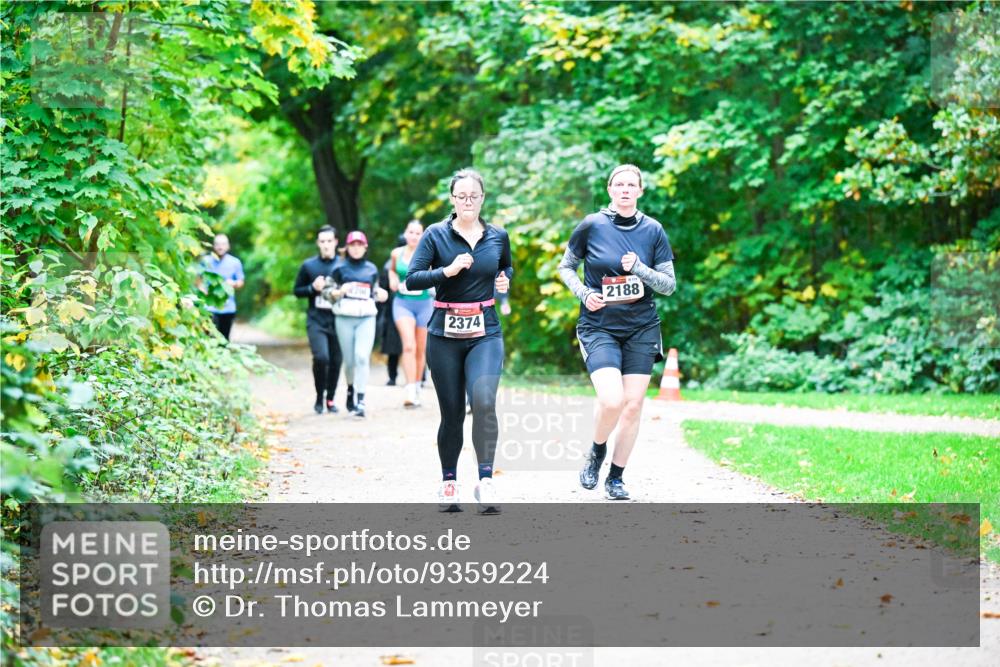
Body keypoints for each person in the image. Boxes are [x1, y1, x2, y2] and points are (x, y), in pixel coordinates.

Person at [557, 164, 676, 500]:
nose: (625, 190)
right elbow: (565, 267)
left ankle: (616, 478)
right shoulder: (592, 225)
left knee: (633, 405)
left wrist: (639, 268)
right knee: (612, 400)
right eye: (619, 184)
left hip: (641, 326)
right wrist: (584, 293)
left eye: (631, 185)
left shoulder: (653, 230)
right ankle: (596, 452)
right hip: (599, 326)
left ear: (640, 191)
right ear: (610, 189)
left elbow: (668, 285)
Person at [406, 168, 512, 514]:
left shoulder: (498, 235)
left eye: (474, 196)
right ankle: (449, 481)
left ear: (482, 198)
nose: (468, 201)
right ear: (452, 199)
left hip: (485, 330)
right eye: (461, 196)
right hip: (445, 333)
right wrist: (446, 271)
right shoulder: (436, 235)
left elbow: (505, 268)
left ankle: (486, 481)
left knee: (483, 402)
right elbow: (412, 280)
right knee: (452, 413)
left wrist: (503, 280)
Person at [324, 231, 389, 419]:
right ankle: (351, 389)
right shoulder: (338, 268)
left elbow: (374, 291)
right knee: (350, 361)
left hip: (366, 317)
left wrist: (381, 294)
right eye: (353, 244)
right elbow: (326, 293)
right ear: (347, 247)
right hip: (344, 318)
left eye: (360, 244)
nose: (356, 248)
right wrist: (338, 292)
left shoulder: (371, 269)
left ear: (365, 247)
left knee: (362, 357)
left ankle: (361, 400)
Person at [293, 225, 344, 415]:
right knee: (322, 357)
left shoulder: (342, 265)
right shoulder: (309, 266)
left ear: (336, 242)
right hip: (316, 319)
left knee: (336, 360)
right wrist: (312, 289)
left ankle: (330, 398)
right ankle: (318, 396)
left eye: (329, 241)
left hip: (339, 319)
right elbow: (297, 291)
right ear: (318, 243)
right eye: (322, 241)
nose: (326, 245)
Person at [389, 220, 434, 408]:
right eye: (411, 232)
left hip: (424, 304)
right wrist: (393, 281)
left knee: (421, 348)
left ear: (422, 235)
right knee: (409, 345)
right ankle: (409, 389)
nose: (414, 236)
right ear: (405, 234)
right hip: (402, 304)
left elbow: (436, 275)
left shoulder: (428, 255)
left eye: (418, 233)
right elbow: (392, 270)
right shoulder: (396, 254)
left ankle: (416, 386)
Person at [203, 233, 244, 341]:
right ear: (213, 246)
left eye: (223, 244)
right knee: (209, 339)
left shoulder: (235, 262)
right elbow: (197, 280)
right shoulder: (205, 261)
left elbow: (241, 282)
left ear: (228, 246)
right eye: (217, 244)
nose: (220, 247)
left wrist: (233, 283)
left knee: (224, 340)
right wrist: (202, 290)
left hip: (228, 307)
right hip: (209, 307)